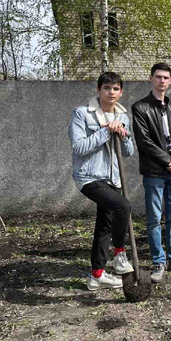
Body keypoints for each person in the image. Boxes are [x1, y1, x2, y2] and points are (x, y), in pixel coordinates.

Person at [68, 71, 135, 291]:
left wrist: (124, 135)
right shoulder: (81, 114)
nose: (111, 92)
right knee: (123, 206)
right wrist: (106, 131)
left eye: (116, 88)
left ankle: (96, 276)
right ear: (99, 90)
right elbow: (79, 148)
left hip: (112, 177)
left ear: (121, 92)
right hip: (89, 177)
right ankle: (118, 254)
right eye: (107, 88)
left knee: (104, 225)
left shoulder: (122, 116)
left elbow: (128, 152)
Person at [132, 63, 171, 283]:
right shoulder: (140, 108)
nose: (162, 81)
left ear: (170, 81)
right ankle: (159, 261)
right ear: (151, 79)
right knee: (154, 219)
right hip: (154, 172)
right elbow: (144, 142)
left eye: (166, 78)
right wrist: (170, 161)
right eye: (158, 77)